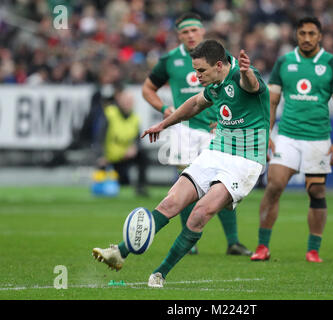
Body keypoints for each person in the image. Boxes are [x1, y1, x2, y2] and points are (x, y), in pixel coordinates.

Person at [93, 40, 270, 288]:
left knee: (199, 214)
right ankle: (120, 252)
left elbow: (250, 85)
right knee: (170, 202)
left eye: (201, 71)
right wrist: (163, 124)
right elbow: (195, 104)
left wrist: (247, 71)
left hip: (245, 161)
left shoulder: (244, 78)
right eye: (195, 70)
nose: (196, 75)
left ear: (219, 65)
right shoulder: (215, 84)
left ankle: (160, 273)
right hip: (217, 150)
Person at [141, 12, 251, 256]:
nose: (190, 35)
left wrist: (228, 119)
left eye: (194, 31)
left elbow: (238, 90)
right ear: (178, 35)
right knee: (187, 184)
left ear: (202, 31)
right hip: (185, 131)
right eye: (185, 32)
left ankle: (233, 241)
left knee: (223, 185)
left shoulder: (219, 58)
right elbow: (147, 88)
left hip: (217, 129)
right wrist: (164, 109)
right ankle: (189, 243)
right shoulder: (170, 60)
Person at [250, 17, 333, 263]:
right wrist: (266, 135)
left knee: (316, 190)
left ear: (320, 36)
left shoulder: (332, 64)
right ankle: (262, 246)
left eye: (311, 33)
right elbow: (271, 102)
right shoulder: (284, 62)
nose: (306, 38)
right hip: (288, 136)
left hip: (317, 138)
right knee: (274, 185)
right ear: (296, 34)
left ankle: (313, 249)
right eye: (302, 33)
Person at [95, 86, 149, 196]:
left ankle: (141, 187)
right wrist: (101, 155)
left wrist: (134, 148)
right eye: (126, 101)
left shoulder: (135, 118)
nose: (128, 104)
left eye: (130, 102)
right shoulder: (110, 113)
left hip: (125, 156)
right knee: (112, 186)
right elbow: (100, 136)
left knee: (143, 156)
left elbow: (139, 140)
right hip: (110, 157)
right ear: (119, 101)